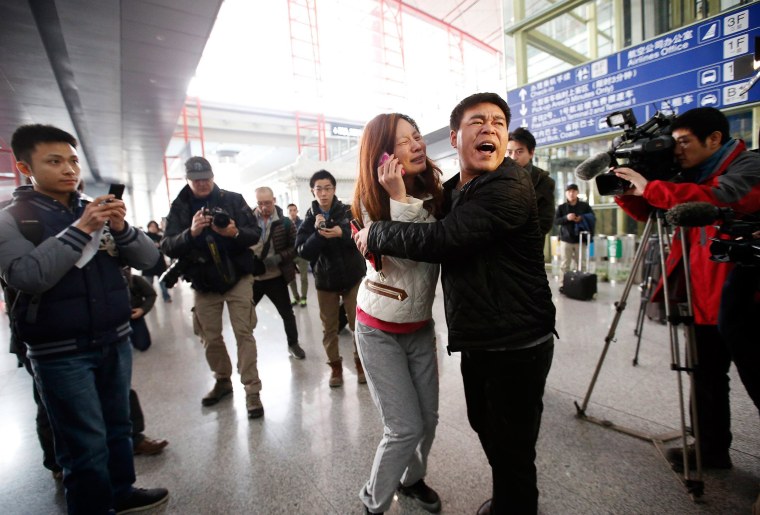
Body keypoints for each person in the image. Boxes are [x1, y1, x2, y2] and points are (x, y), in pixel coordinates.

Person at [354, 93, 556, 515]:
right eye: (477, 122)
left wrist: (378, 232)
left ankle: (513, 507)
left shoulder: (506, 185)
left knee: (510, 446)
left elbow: (441, 241)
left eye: (499, 123)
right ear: (455, 137)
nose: (490, 129)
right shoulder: (446, 191)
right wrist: (389, 209)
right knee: (482, 426)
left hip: (516, 340)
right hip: (467, 335)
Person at [0, 124, 168, 514]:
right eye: (54, 161)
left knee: (118, 427)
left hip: (113, 338)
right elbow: (26, 276)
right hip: (59, 351)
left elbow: (150, 261)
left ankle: (122, 491)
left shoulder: (94, 208)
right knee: (84, 441)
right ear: (25, 167)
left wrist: (122, 228)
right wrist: (82, 229)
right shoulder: (13, 219)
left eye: (73, 160)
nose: (68, 169)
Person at [613, 106, 760, 472]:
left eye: (683, 141)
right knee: (706, 376)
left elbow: (717, 199)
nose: (677, 150)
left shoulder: (749, 166)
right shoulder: (687, 176)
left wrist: (654, 188)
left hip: (745, 295)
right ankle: (711, 451)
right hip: (700, 294)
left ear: (714, 139)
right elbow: (657, 213)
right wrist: (631, 192)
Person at [351, 113, 444, 515]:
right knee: (404, 427)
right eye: (405, 141)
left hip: (420, 325)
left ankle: (411, 481)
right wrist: (399, 197)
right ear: (383, 154)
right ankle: (374, 502)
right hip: (378, 330)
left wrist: (407, 197)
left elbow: (440, 239)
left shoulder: (438, 193)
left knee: (429, 419)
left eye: (417, 136)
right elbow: (408, 249)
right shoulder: (369, 202)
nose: (417, 144)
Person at [161, 156, 265, 418]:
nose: (203, 183)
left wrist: (234, 233)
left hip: (238, 277)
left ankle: (252, 390)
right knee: (210, 336)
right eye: (197, 180)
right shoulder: (180, 207)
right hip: (204, 283)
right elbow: (167, 245)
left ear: (213, 175)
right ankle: (222, 380)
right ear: (188, 180)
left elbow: (254, 234)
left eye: (207, 177)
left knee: (244, 333)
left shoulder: (232, 199)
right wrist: (191, 233)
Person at [295, 170, 367, 387]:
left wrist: (342, 233)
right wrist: (317, 234)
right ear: (312, 191)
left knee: (358, 325)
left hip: (352, 277)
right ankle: (335, 367)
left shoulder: (347, 211)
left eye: (327, 188)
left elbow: (363, 235)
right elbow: (302, 252)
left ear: (334, 190)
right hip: (325, 282)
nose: (323, 193)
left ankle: (360, 363)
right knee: (329, 328)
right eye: (319, 189)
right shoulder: (309, 218)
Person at [252, 187, 306, 359]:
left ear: (274, 200)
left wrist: (278, 258)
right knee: (244, 315)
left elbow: (295, 247)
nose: (263, 207)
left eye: (267, 203)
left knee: (287, 314)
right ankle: (246, 350)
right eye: (260, 203)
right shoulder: (248, 221)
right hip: (253, 279)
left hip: (276, 277)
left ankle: (293, 344)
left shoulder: (285, 223)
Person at [507, 127, 556, 235]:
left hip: (527, 248)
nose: (513, 157)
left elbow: (544, 224)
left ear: (531, 152)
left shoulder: (544, 182)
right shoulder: (497, 177)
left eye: (519, 152)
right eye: (509, 152)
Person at [554, 183, 595, 273]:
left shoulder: (585, 206)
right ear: (566, 193)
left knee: (582, 264)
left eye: (573, 191)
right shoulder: (561, 207)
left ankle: (581, 286)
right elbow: (556, 221)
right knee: (565, 265)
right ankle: (563, 286)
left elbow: (593, 217)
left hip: (580, 239)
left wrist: (582, 218)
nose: (571, 193)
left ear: (577, 192)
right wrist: (566, 218)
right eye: (569, 191)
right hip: (566, 239)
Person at [142, 220, 171, 302]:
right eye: (151, 226)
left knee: (163, 282)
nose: (153, 228)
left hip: (159, 263)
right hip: (148, 264)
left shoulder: (160, 237)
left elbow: (166, 248)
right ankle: (149, 300)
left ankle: (166, 297)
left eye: (154, 226)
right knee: (148, 284)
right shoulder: (144, 237)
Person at [286, 203, 310, 306]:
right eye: (290, 210)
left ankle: (303, 297)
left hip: (301, 255)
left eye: (294, 210)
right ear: (288, 212)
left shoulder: (302, 223)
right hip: (289, 255)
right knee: (291, 278)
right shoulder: (285, 224)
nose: (292, 212)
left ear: (297, 211)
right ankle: (296, 297)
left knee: (304, 277)